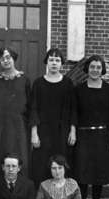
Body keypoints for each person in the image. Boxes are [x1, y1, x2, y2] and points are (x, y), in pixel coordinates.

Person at [73, 55, 109, 199]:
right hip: (83, 134)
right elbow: (74, 113)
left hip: (102, 135)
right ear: (87, 69)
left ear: (102, 69)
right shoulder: (79, 89)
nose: (95, 70)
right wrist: (74, 131)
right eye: (92, 67)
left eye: (98, 67)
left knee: (99, 172)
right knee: (83, 171)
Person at [30, 48, 76, 187]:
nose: (54, 63)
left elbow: (73, 109)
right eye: (51, 60)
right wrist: (34, 133)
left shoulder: (68, 84)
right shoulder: (38, 83)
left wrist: (73, 131)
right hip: (43, 132)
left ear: (61, 63)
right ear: (46, 63)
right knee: (41, 165)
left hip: (62, 132)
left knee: (61, 164)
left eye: (57, 60)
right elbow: (33, 109)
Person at [0, 47, 31, 178]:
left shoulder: (24, 80)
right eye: (2, 59)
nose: (5, 61)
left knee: (19, 155)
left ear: (14, 58)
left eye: (8, 57)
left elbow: (30, 106)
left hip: (18, 126)